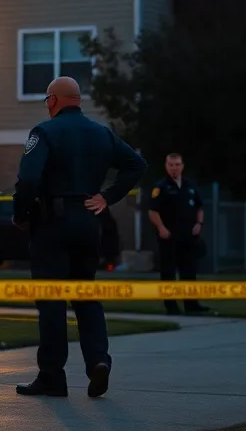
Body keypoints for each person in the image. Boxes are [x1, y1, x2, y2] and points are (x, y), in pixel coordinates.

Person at [12, 76, 147, 399]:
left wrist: (21, 215)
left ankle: (52, 377)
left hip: (52, 224)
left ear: (54, 101)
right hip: (88, 220)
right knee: (86, 295)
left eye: (47, 100)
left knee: (52, 301)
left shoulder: (44, 132)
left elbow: (28, 180)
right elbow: (136, 165)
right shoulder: (101, 133)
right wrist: (107, 197)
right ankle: (98, 360)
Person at [148, 153, 212, 315]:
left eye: (177, 165)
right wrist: (161, 228)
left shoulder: (189, 186)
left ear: (182, 166)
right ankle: (171, 306)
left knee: (189, 270)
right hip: (169, 236)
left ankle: (192, 304)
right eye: (171, 165)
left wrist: (199, 224)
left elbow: (199, 207)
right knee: (168, 272)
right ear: (166, 166)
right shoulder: (160, 187)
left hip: (188, 236)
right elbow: (153, 211)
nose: (174, 168)